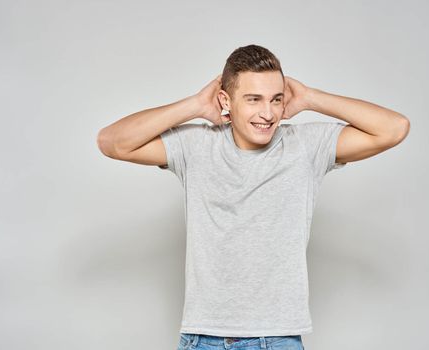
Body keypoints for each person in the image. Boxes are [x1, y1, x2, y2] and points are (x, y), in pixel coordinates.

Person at [97, 44, 410, 350]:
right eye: (253, 99)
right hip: (203, 336)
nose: (268, 113)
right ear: (226, 100)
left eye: (276, 99)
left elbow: (394, 128)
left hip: (276, 338)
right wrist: (194, 105)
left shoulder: (305, 146)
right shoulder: (196, 147)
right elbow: (112, 142)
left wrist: (310, 98)